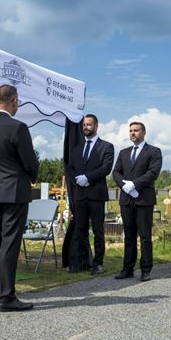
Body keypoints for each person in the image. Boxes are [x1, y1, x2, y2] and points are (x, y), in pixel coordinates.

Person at [0, 84, 39, 311]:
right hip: (14, 192)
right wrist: (32, 175)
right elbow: (30, 162)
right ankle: (6, 297)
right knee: (9, 243)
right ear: (14, 100)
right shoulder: (18, 128)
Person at [112, 121, 162, 282]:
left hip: (143, 200)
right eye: (130, 131)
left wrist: (135, 184)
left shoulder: (154, 151)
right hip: (126, 200)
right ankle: (128, 269)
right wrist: (124, 186)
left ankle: (146, 269)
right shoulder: (124, 153)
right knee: (129, 236)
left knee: (145, 236)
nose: (132, 133)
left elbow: (153, 172)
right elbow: (116, 172)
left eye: (136, 130)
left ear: (144, 132)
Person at [66, 114, 114, 275]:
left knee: (98, 231)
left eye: (89, 124)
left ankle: (98, 263)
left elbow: (106, 168)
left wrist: (88, 178)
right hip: (80, 194)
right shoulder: (77, 148)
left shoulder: (107, 147)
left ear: (96, 126)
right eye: (84, 125)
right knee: (80, 229)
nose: (85, 127)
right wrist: (77, 180)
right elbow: (69, 168)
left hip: (96, 194)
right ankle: (81, 262)